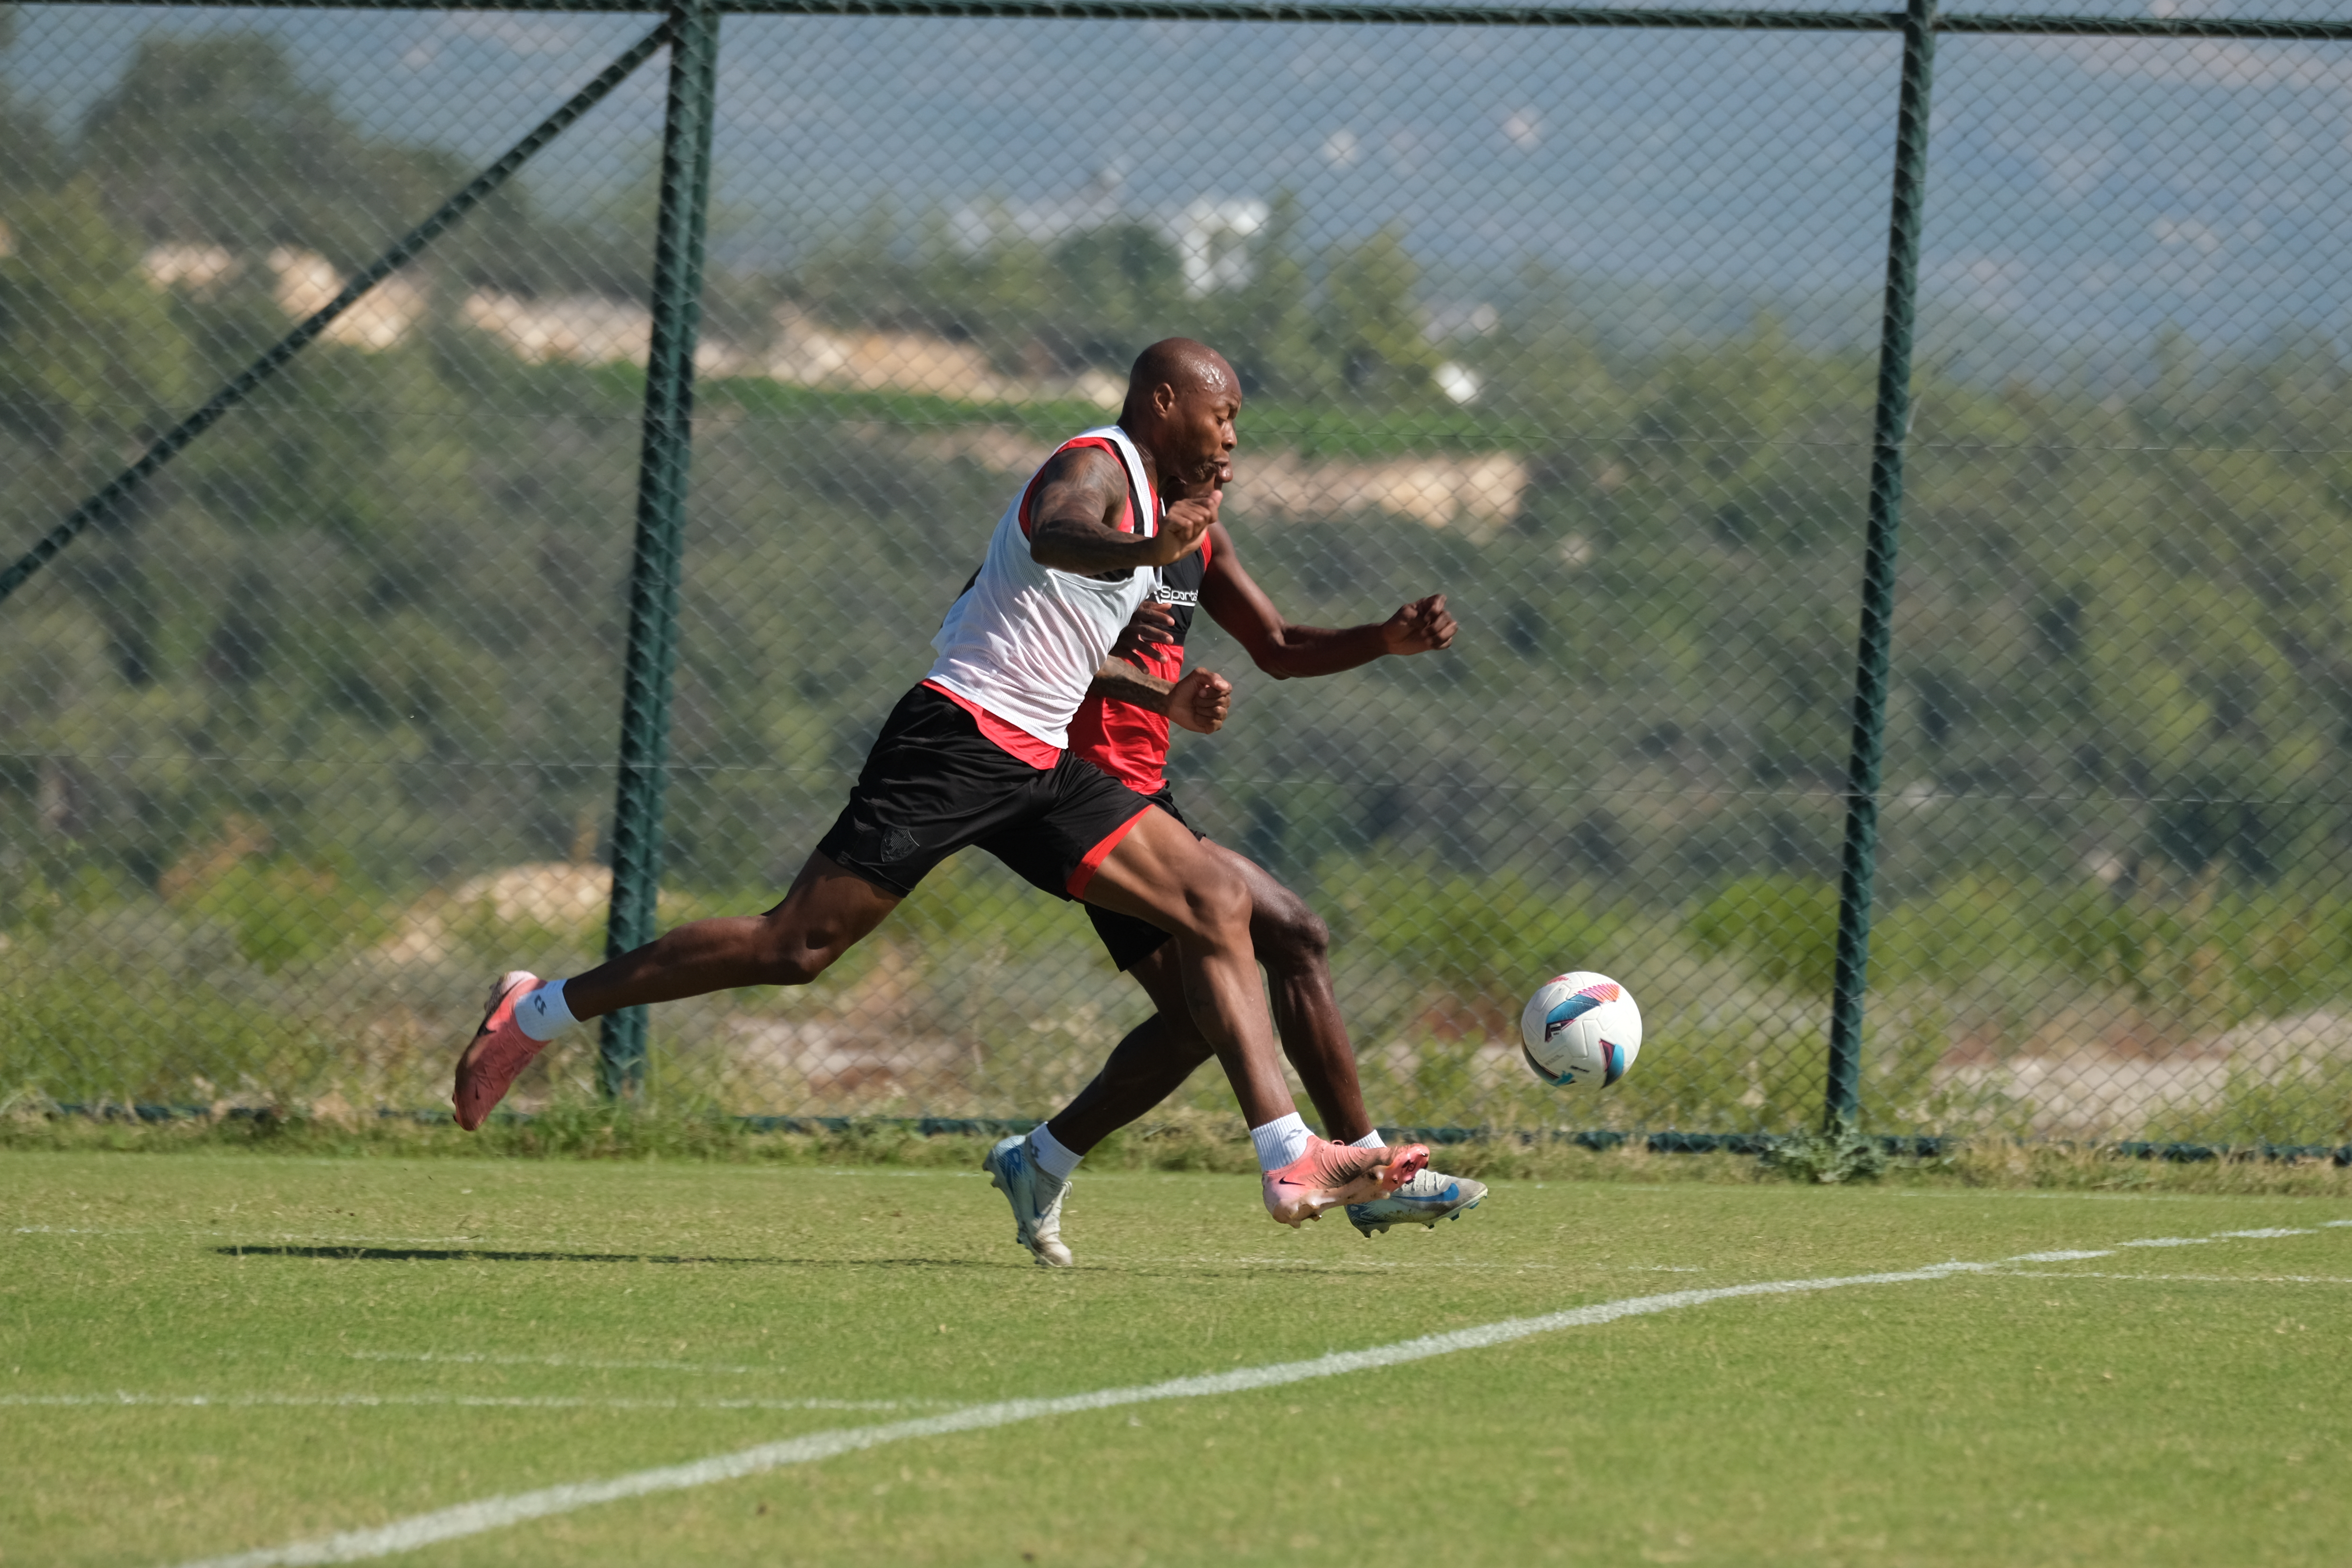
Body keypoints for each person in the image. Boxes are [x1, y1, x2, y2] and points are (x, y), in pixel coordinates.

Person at [451, 338, 1429, 1228]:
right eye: (1222, 416)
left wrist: (1171, 673)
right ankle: (540, 1008)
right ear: (1164, 403)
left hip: (1045, 760)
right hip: (959, 739)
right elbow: (1055, 534)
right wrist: (1145, 550)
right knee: (794, 947)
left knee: (1216, 897)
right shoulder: (1096, 462)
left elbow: (1056, 627)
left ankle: (1287, 1154)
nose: (1231, 435)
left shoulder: (1182, 521)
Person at [981, 499, 1484, 1268]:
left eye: (1231, 451)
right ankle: (1347, 1163)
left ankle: (1043, 1160)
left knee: (1229, 993)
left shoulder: (1202, 544)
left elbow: (1278, 647)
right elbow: (1020, 641)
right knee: (1270, 952)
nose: (1224, 462)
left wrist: (1381, 640)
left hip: (1143, 798)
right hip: (1074, 799)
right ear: (1166, 423)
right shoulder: (1095, 527)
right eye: (1215, 438)